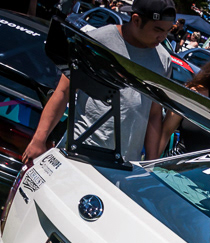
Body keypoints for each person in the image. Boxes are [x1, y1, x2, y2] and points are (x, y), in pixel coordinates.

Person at [22, 0, 176, 165]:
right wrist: (39, 140)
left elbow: (154, 114)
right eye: (157, 30)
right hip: (79, 153)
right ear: (136, 20)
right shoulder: (98, 41)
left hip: (124, 165)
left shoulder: (163, 61)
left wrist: (150, 164)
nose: (162, 37)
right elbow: (63, 92)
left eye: (168, 31)